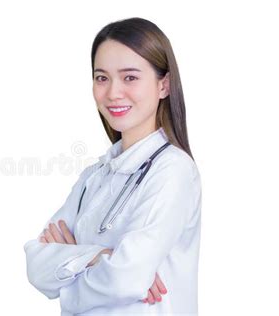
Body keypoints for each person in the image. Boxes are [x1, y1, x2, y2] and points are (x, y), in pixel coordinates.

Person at [23, 17, 202, 315]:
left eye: (130, 77)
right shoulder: (93, 177)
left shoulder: (173, 171)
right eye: (102, 77)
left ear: (164, 85)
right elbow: (36, 267)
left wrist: (68, 269)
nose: (113, 92)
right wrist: (98, 255)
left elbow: (126, 279)